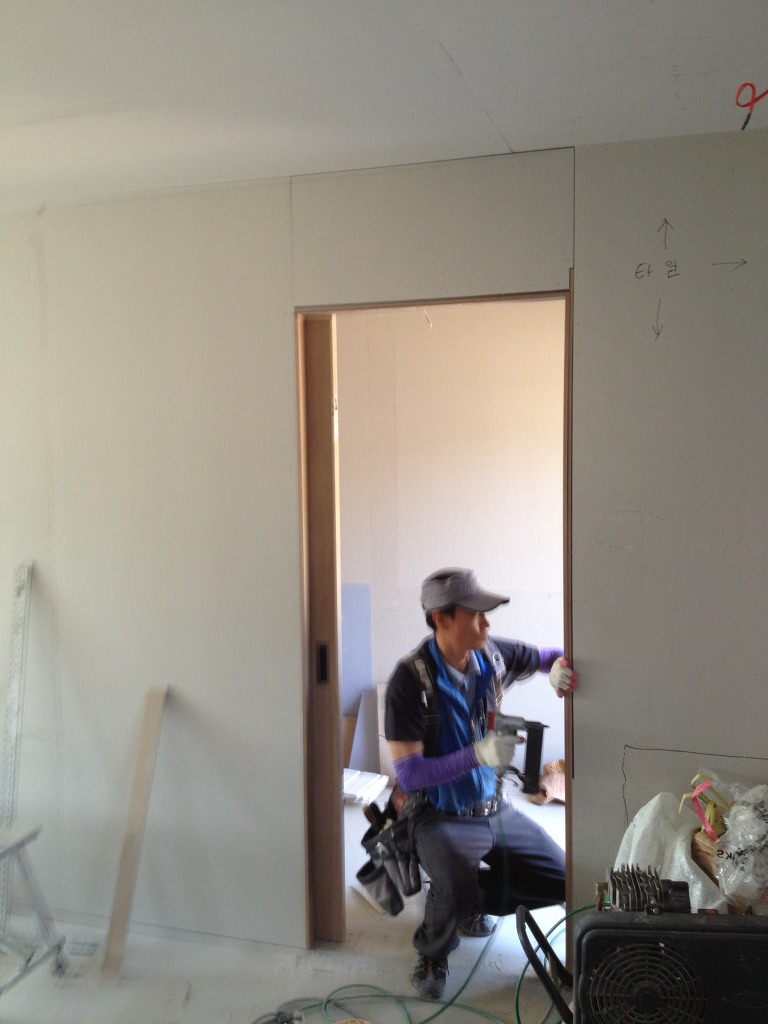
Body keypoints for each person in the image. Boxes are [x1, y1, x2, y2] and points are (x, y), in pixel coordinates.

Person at [384, 567, 577, 1001]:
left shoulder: (492, 655)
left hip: (494, 807)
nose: (487, 624)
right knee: (453, 883)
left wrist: (557, 668)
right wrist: (478, 755)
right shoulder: (409, 681)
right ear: (442, 619)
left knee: (565, 878)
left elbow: (549, 655)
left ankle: (466, 902)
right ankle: (433, 951)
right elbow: (410, 774)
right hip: (439, 815)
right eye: (475, 614)